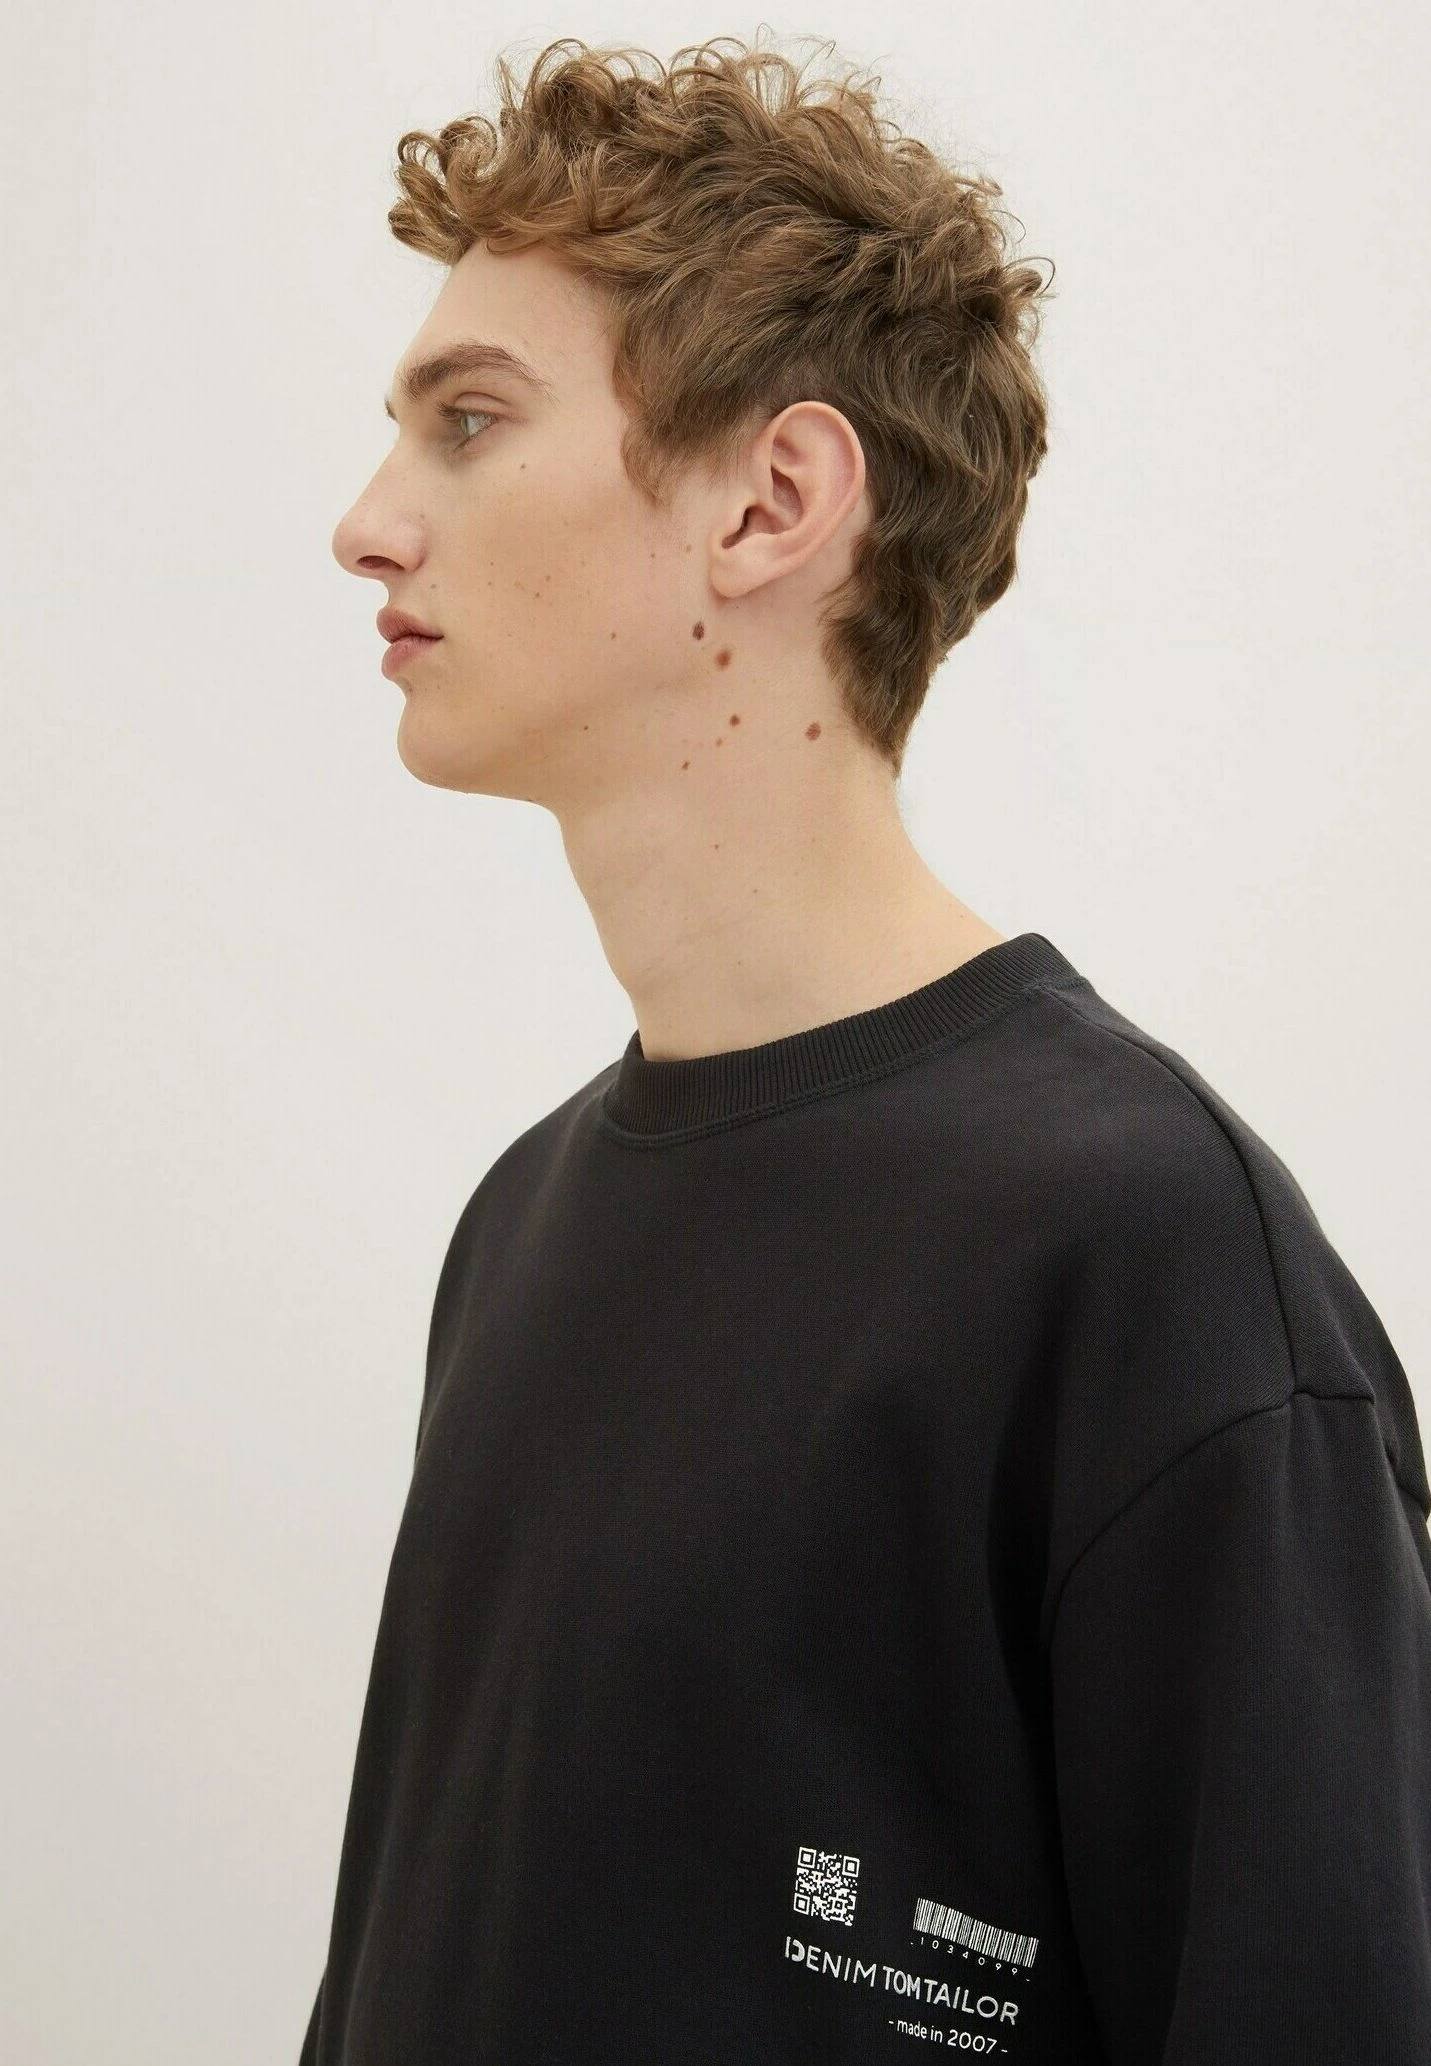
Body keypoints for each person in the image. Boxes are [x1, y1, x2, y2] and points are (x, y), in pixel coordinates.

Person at [313, 33, 1431, 2065]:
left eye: (468, 422)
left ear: (771, 499)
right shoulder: (522, 1223)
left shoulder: (1147, 1253)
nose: (367, 526)